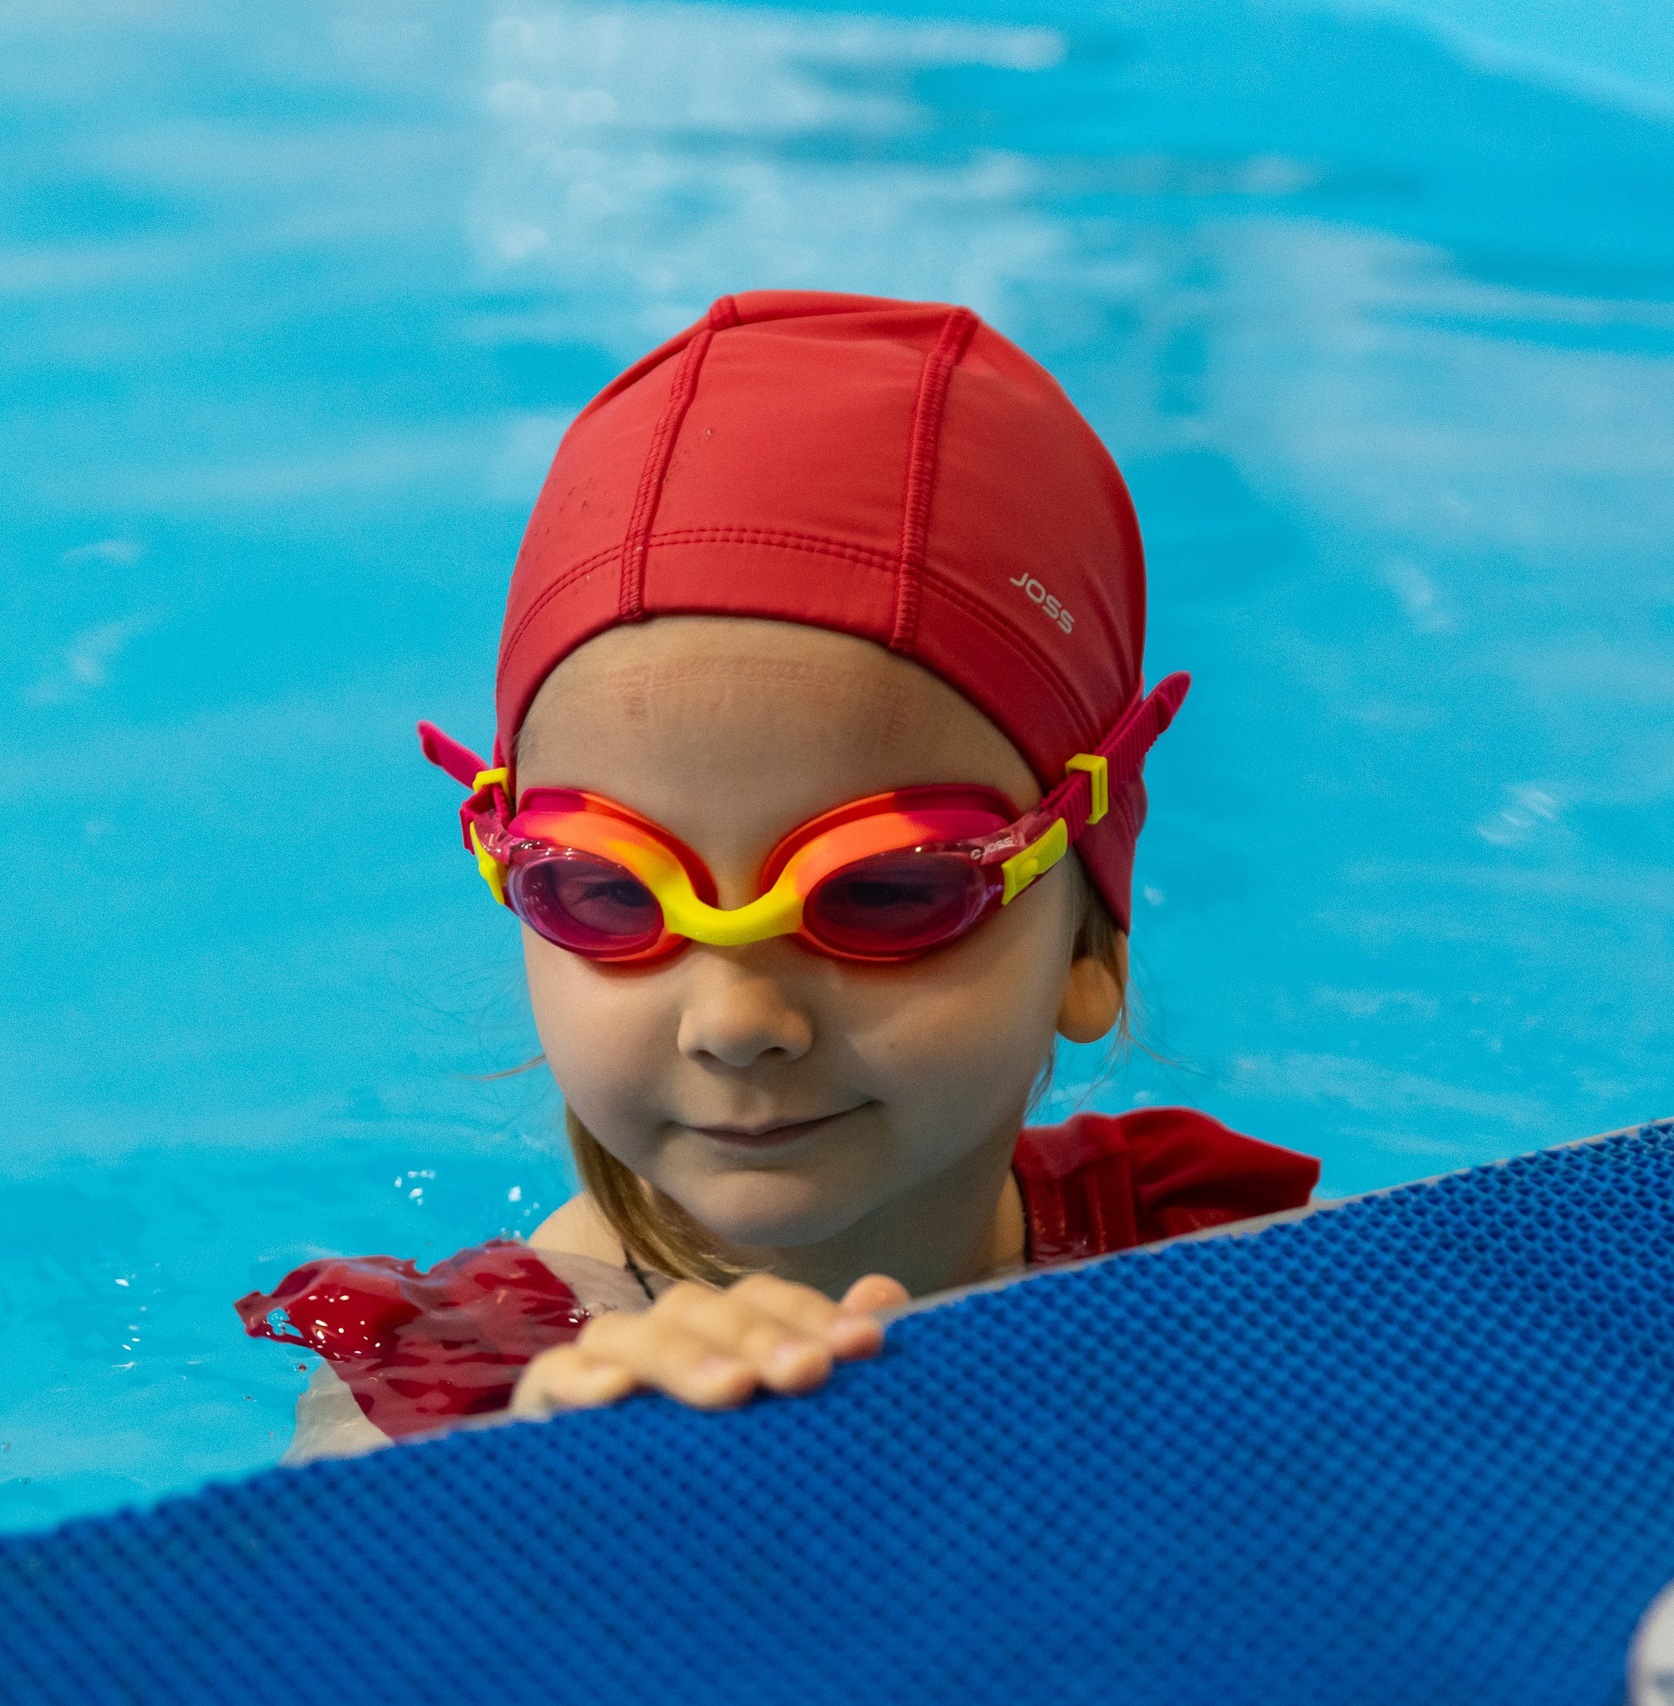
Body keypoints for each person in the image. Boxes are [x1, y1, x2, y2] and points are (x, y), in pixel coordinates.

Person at [237, 292, 1322, 1463]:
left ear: (1087, 942)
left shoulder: (1194, 1252)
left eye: (886, 891)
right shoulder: (436, 1395)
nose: (738, 1020)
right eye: (605, 891)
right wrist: (554, 1488)